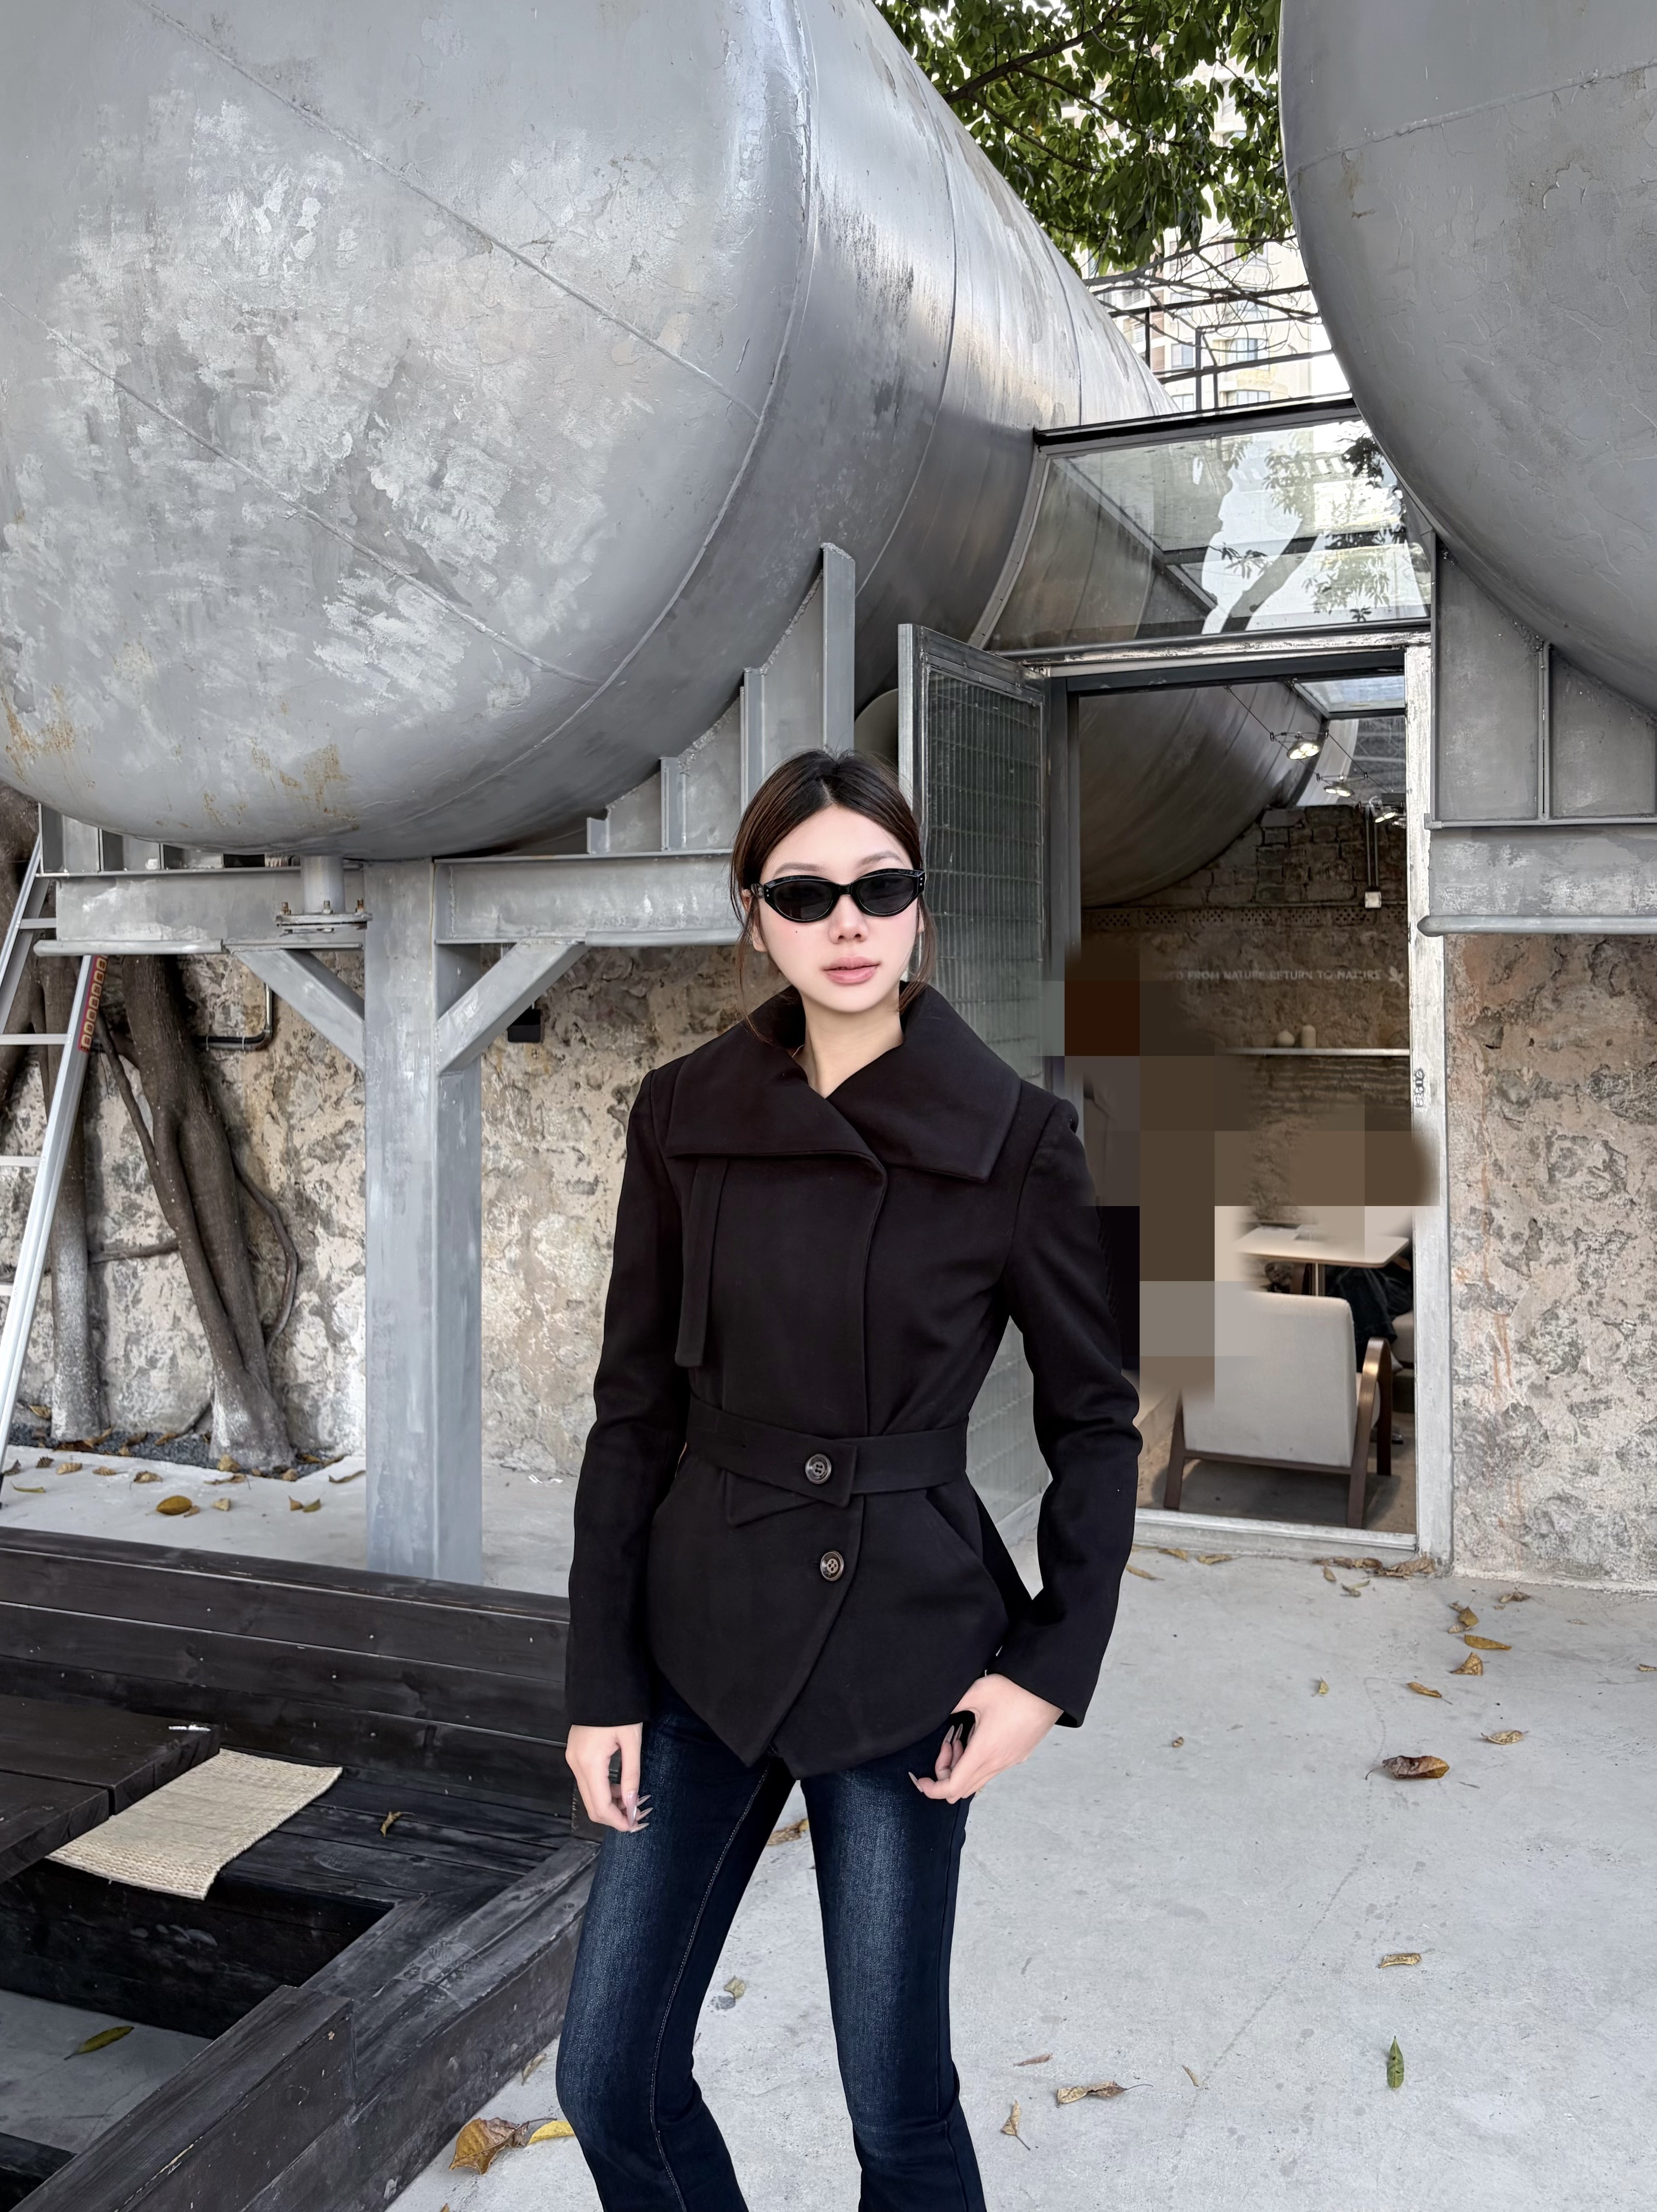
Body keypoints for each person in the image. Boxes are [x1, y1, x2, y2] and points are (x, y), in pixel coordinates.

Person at [556, 750, 1140, 2208]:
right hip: (698, 1634)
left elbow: (1094, 1422)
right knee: (607, 2075)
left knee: (895, 2105)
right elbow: (631, 1412)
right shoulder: (679, 1114)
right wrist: (598, 1680)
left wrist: (1047, 1666)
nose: (847, 923)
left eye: (879, 888)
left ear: (919, 907)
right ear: (754, 917)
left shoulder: (1016, 1138)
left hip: (902, 1645)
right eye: (804, 894)